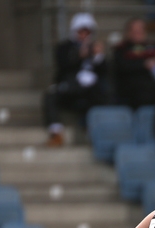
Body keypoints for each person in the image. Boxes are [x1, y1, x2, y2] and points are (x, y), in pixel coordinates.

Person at [43, 12, 108, 148]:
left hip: (90, 92)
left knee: (101, 94)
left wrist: (98, 56)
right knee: (50, 96)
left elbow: (105, 72)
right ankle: (56, 133)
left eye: (87, 32)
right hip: (69, 87)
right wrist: (79, 56)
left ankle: (90, 129)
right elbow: (63, 66)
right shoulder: (64, 47)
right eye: (80, 32)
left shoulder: (95, 47)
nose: (84, 36)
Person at [112, 18, 155, 109]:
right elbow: (121, 66)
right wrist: (144, 64)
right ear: (128, 32)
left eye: (141, 29)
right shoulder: (121, 49)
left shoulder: (154, 46)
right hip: (132, 89)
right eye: (135, 30)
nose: (138, 32)